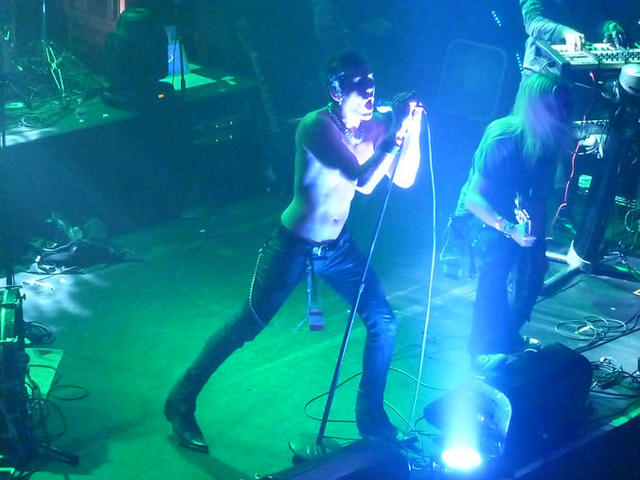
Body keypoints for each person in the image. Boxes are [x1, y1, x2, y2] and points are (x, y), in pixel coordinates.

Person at [164, 50, 422, 452]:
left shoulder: (374, 127)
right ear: (336, 92)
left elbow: (404, 179)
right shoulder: (316, 127)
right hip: (293, 245)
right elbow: (363, 181)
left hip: (338, 248)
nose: (369, 87)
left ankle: (371, 419)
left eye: (371, 79)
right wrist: (392, 136)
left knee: (384, 322)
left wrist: (411, 127)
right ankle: (180, 400)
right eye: (357, 82)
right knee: (246, 325)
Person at [453, 72, 572, 371]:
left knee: (535, 269)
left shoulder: (549, 143)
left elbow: (538, 198)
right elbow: (474, 199)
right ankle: (481, 348)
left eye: (561, 107)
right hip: (481, 217)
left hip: (517, 214)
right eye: (551, 107)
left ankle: (507, 336)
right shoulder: (503, 137)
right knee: (498, 260)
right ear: (534, 107)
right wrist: (509, 230)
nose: (559, 114)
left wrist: (536, 242)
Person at [520, 0, 640, 77]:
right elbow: (533, 21)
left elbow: (593, 19)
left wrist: (608, 26)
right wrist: (564, 32)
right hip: (541, 69)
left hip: (583, 69)